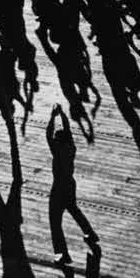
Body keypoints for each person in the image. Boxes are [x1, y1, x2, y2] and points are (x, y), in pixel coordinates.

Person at [45, 104, 98, 268]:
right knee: (73, 209)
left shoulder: (57, 150)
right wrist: (62, 116)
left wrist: (53, 117)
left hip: (58, 187)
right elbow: (67, 132)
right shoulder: (71, 147)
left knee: (55, 221)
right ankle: (90, 233)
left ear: (57, 140)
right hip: (70, 184)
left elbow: (48, 136)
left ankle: (62, 254)